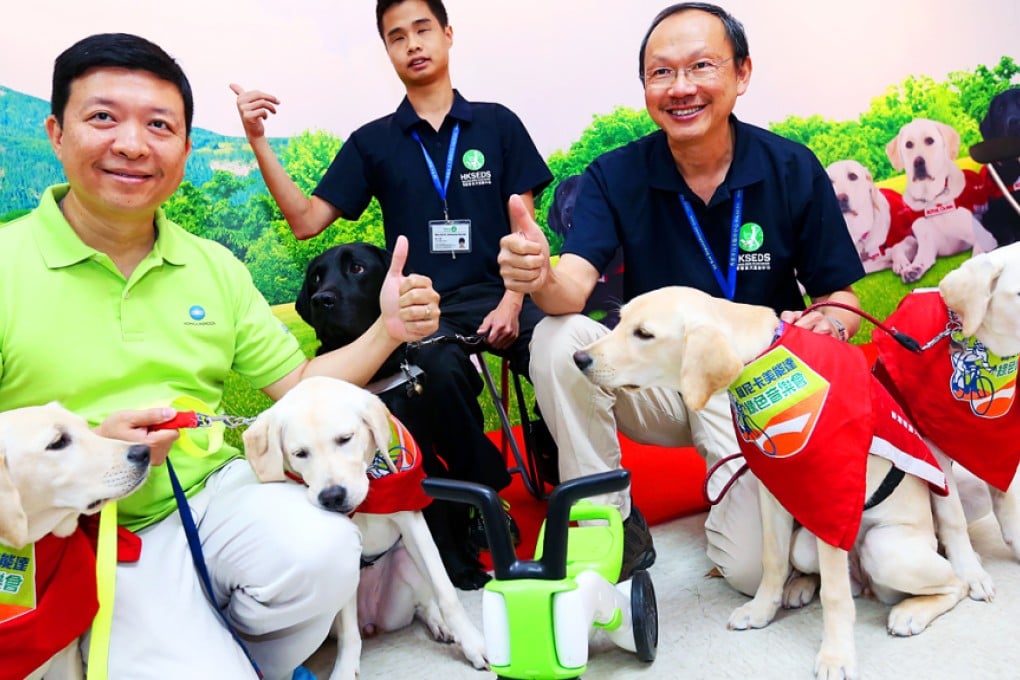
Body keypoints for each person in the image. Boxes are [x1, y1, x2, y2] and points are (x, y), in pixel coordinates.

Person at [0, 32, 439, 679]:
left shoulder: (213, 267)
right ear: (56, 133)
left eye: (158, 125)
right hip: (79, 532)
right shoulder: (9, 264)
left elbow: (299, 385)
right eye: (102, 117)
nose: (131, 143)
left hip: (213, 495)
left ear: (182, 149)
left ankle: (219, 646)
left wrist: (388, 330)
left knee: (324, 548)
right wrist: (89, 449)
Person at [497, 2, 866, 592]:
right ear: (644, 86)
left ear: (742, 74)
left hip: (759, 388)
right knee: (558, 335)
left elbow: (840, 297)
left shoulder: (791, 167)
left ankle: (768, 508)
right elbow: (569, 291)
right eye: (661, 72)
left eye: (701, 66)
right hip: (661, 385)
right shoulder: (613, 175)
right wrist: (538, 273)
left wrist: (830, 322)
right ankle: (609, 521)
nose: (681, 87)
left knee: (750, 572)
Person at [232, 0, 553, 587]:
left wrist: (512, 303)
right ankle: (485, 488)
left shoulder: (497, 123)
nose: (412, 44)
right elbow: (306, 220)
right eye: (396, 36)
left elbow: (522, 225)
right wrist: (258, 141)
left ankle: (579, 482)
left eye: (423, 29)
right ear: (387, 50)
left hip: (506, 290)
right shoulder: (373, 142)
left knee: (562, 350)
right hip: (425, 304)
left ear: (448, 35)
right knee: (433, 366)